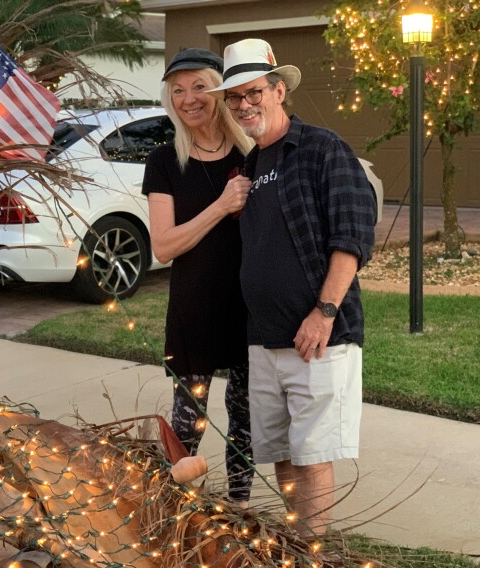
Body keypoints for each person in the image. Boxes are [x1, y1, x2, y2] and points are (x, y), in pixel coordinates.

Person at [210, 39, 377, 535]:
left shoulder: (323, 149)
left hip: (318, 335)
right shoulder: (253, 165)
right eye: (234, 97)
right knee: (281, 452)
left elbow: (351, 239)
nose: (244, 105)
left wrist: (324, 311)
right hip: (264, 338)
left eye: (253, 92)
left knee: (312, 453)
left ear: (278, 90)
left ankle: (313, 554)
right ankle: (294, 539)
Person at [142, 48, 255, 503]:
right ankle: (180, 512)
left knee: (245, 420)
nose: (190, 98)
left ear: (220, 89)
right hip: (195, 309)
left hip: (250, 307)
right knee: (189, 425)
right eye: (178, 90)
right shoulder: (165, 161)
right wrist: (223, 206)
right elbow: (164, 246)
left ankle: (241, 508)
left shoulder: (253, 151)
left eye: (200, 86)